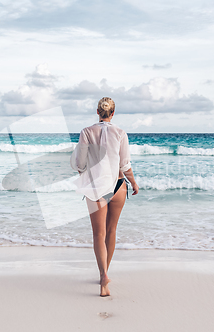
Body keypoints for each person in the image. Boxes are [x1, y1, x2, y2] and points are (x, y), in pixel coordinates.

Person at [70, 97, 139, 297]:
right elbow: (125, 164)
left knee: (98, 234)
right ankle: (105, 273)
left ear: (97, 112)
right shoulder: (120, 133)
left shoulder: (86, 132)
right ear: (113, 113)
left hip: (96, 187)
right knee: (111, 230)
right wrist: (133, 182)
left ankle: (103, 276)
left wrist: (83, 172)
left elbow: (80, 162)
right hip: (118, 186)